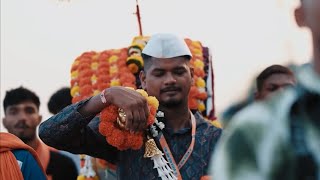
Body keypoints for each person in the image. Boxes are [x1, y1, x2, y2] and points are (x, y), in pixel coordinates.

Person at [39, 33, 222, 179]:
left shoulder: (217, 139)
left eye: (178, 71)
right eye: (159, 73)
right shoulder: (126, 130)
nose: (170, 80)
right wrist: (106, 96)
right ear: (143, 79)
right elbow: (49, 133)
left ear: (191, 74)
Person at [210, 0, 320, 179]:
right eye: (273, 88)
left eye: (285, 87)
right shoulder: (256, 131)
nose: (280, 92)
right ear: (300, 16)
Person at [2, 86, 78, 180]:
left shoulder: (64, 164)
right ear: (4, 121)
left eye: (29, 111)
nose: (22, 117)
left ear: (39, 118)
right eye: (14, 112)